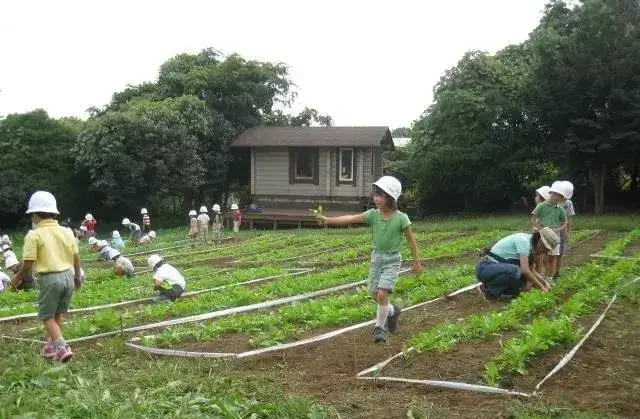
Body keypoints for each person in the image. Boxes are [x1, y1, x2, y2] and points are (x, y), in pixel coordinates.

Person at [317, 176, 423, 343]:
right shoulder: (373, 215)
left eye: (379, 195)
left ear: (390, 197)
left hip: (392, 260)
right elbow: (350, 218)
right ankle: (393, 311)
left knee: (382, 294)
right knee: (376, 295)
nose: (375, 199)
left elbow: (411, 240)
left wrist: (416, 261)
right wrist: (328, 220)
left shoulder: (401, 218)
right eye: (375, 195)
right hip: (377, 259)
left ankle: (379, 328)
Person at [11, 191, 83, 362]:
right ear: (54, 212)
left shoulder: (34, 235)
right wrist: (78, 276)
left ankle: (62, 347)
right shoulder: (66, 231)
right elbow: (76, 256)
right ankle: (51, 346)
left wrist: (17, 277)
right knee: (58, 313)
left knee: (46, 316)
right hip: (68, 276)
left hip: (51, 278)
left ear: (34, 215)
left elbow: (28, 263)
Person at [476, 228, 557, 301]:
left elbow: (532, 271)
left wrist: (545, 283)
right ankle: (486, 288)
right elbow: (525, 270)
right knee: (516, 271)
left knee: (524, 281)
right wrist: (542, 288)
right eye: (544, 248)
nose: (544, 251)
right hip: (485, 268)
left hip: (498, 269)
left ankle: (495, 294)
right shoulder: (524, 242)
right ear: (539, 240)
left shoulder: (532, 247)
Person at [531, 181, 568, 278]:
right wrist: (541, 229)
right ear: (550, 193)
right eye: (555, 195)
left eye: (560, 197)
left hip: (554, 235)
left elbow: (565, 222)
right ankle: (539, 276)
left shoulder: (560, 209)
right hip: (542, 234)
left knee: (552, 257)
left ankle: (549, 278)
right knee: (539, 256)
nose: (557, 198)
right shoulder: (541, 206)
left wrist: (558, 229)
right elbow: (533, 220)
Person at [556, 180, 576, 278]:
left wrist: (568, 232)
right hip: (553, 230)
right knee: (551, 253)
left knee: (560, 253)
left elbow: (569, 218)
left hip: (563, 231)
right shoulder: (553, 201)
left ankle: (557, 272)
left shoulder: (568, 203)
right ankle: (549, 272)